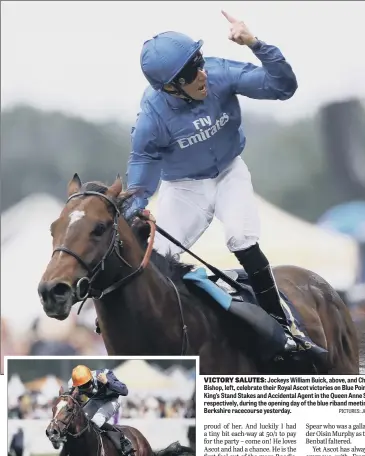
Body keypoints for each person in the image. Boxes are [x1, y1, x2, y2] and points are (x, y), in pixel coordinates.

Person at [124, 11, 298, 358]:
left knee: (241, 238)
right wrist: (134, 209)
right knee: (154, 258)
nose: (201, 74)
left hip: (230, 172)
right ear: (169, 87)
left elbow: (283, 87)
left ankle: (282, 325)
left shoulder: (219, 72)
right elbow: (143, 167)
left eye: (198, 62)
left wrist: (255, 44)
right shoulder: (152, 117)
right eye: (190, 73)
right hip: (185, 187)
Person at [67, 365, 133, 456]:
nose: (87, 388)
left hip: (112, 399)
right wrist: (72, 395)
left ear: (91, 378)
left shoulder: (104, 374)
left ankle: (123, 439)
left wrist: (107, 382)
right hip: (96, 400)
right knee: (81, 420)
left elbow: (125, 391)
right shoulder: (73, 384)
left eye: (87, 384)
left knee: (97, 421)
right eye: (82, 386)